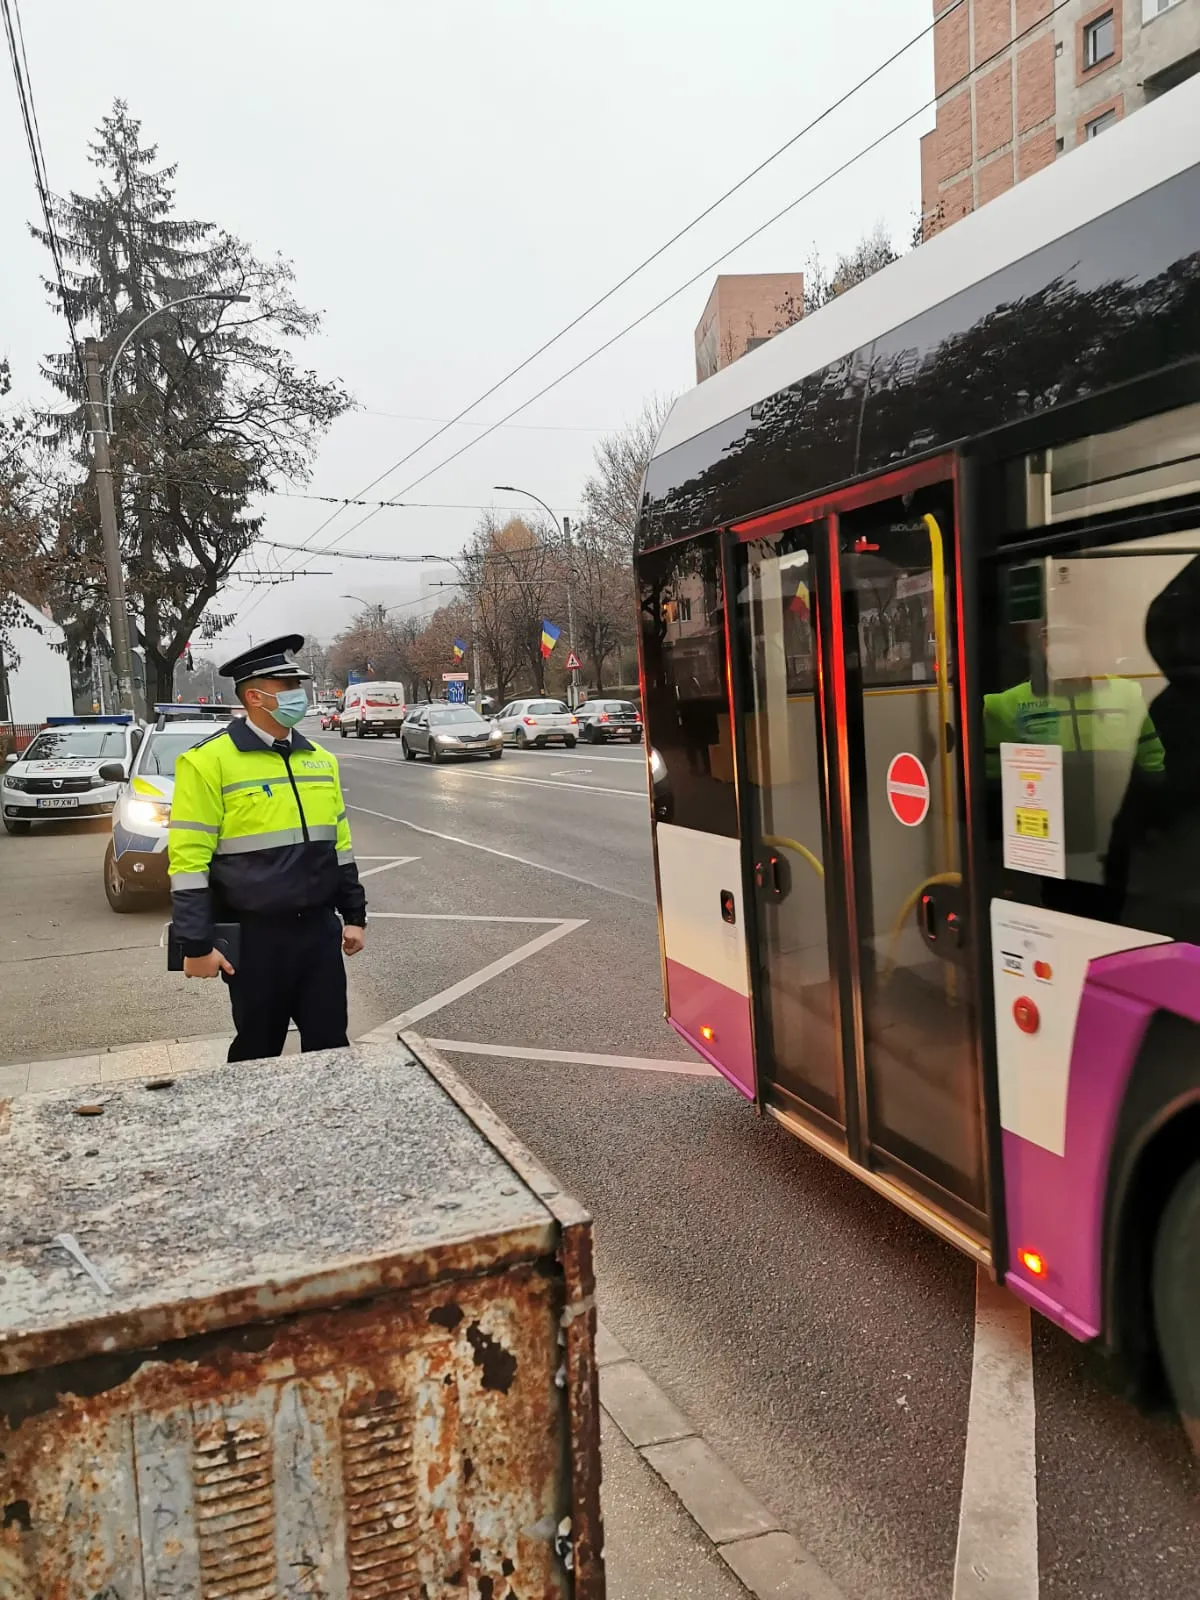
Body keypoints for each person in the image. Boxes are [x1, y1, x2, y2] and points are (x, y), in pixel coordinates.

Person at [167, 634, 367, 1061]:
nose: (299, 695)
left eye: (298, 685)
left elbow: (340, 846)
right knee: (258, 1050)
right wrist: (196, 944)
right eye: (288, 686)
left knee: (331, 1047)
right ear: (254, 697)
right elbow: (188, 862)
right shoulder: (207, 762)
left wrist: (354, 916)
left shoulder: (320, 760)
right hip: (256, 939)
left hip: (318, 933)